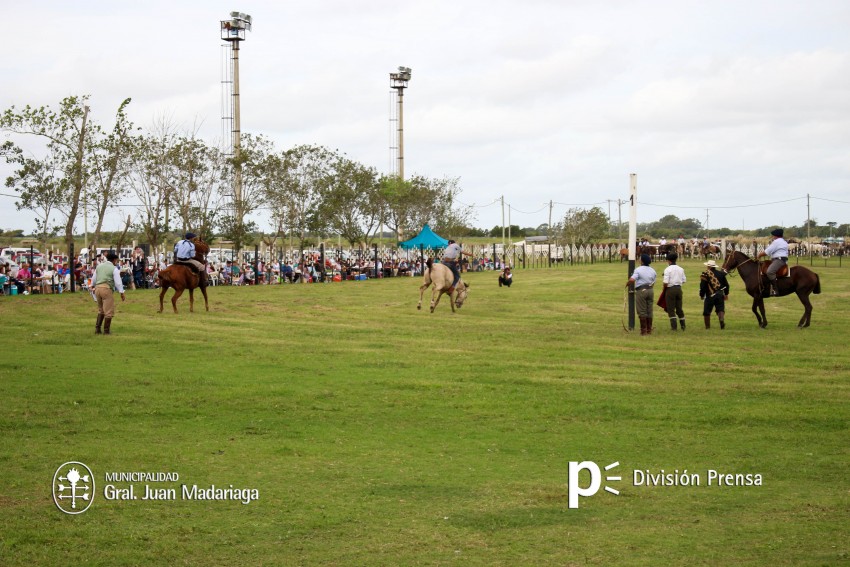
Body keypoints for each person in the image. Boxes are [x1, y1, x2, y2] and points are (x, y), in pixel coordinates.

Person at [93, 252, 126, 335]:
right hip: (106, 289)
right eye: (116, 261)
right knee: (108, 311)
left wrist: (92, 286)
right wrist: (121, 292)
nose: (116, 262)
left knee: (101, 310)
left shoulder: (99, 266)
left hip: (97, 289)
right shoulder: (114, 268)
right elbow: (118, 282)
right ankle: (106, 331)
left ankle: (97, 329)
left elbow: (94, 279)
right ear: (114, 260)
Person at [626, 253, 657, 335]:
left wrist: (627, 284)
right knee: (649, 310)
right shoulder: (652, 270)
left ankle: (643, 331)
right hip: (650, 290)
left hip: (641, 290)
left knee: (642, 310)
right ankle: (649, 330)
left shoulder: (638, 269)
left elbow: (632, 279)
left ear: (642, 261)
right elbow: (653, 281)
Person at [699, 259, 730, 330]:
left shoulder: (705, 274)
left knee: (707, 312)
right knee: (720, 309)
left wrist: (701, 295)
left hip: (710, 295)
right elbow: (726, 285)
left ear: (709, 266)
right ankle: (721, 319)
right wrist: (726, 294)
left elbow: (703, 286)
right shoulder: (721, 274)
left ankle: (707, 327)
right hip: (720, 294)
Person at [758, 228, 788, 296]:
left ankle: (775, 290)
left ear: (776, 236)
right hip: (779, 259)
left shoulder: (776, 242)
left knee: (770, 272)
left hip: (779, 260)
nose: (772, 237)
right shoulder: (783, 241)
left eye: (773, 235)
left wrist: (759, 255)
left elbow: (767, 252)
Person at [661, 252, 686, 331]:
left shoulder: (667, 269)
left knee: (671, 308)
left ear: (669, 261)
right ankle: (683, 325)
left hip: (670, 289)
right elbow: (684, 280)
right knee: (679, 308)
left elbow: (665, 282)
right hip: (679, 289)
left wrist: (664, 289)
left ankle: (674, 327)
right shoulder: (681, 269)